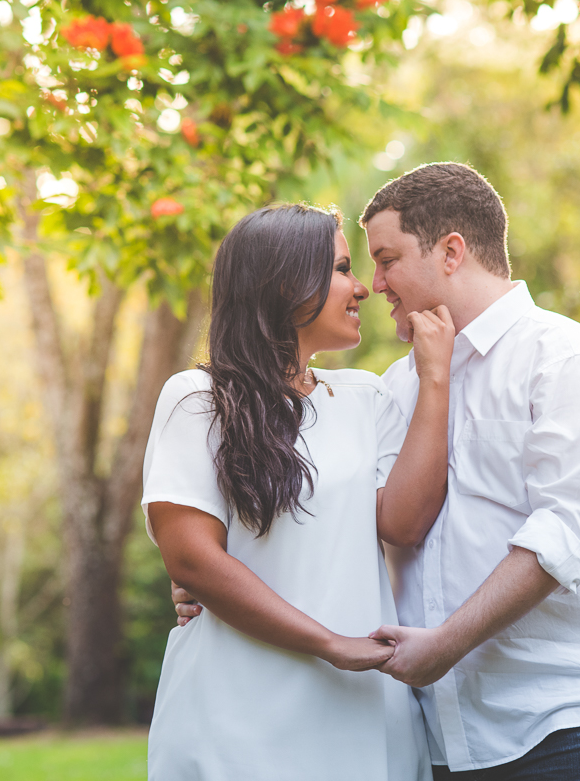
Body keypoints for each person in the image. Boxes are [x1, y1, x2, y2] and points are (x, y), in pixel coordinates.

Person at [174, 163, 580, 780]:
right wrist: (214, 575)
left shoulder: (568, 361)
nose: (375, 285)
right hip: (439, 735)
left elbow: (570, 529)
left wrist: (449, 642)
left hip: (565, 721)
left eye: (386, 259)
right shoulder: (395, 389)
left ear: (452, 251)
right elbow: (358, 524)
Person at [143, 203, 454, 781]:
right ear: (286, 282)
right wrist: (329, 643)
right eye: (341, 269)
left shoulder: (365, 397)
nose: (362, 287)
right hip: (236, 714)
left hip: (361, 708)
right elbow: (191, 558)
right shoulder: (197, 399)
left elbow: (404, 525)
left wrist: (436, 378)